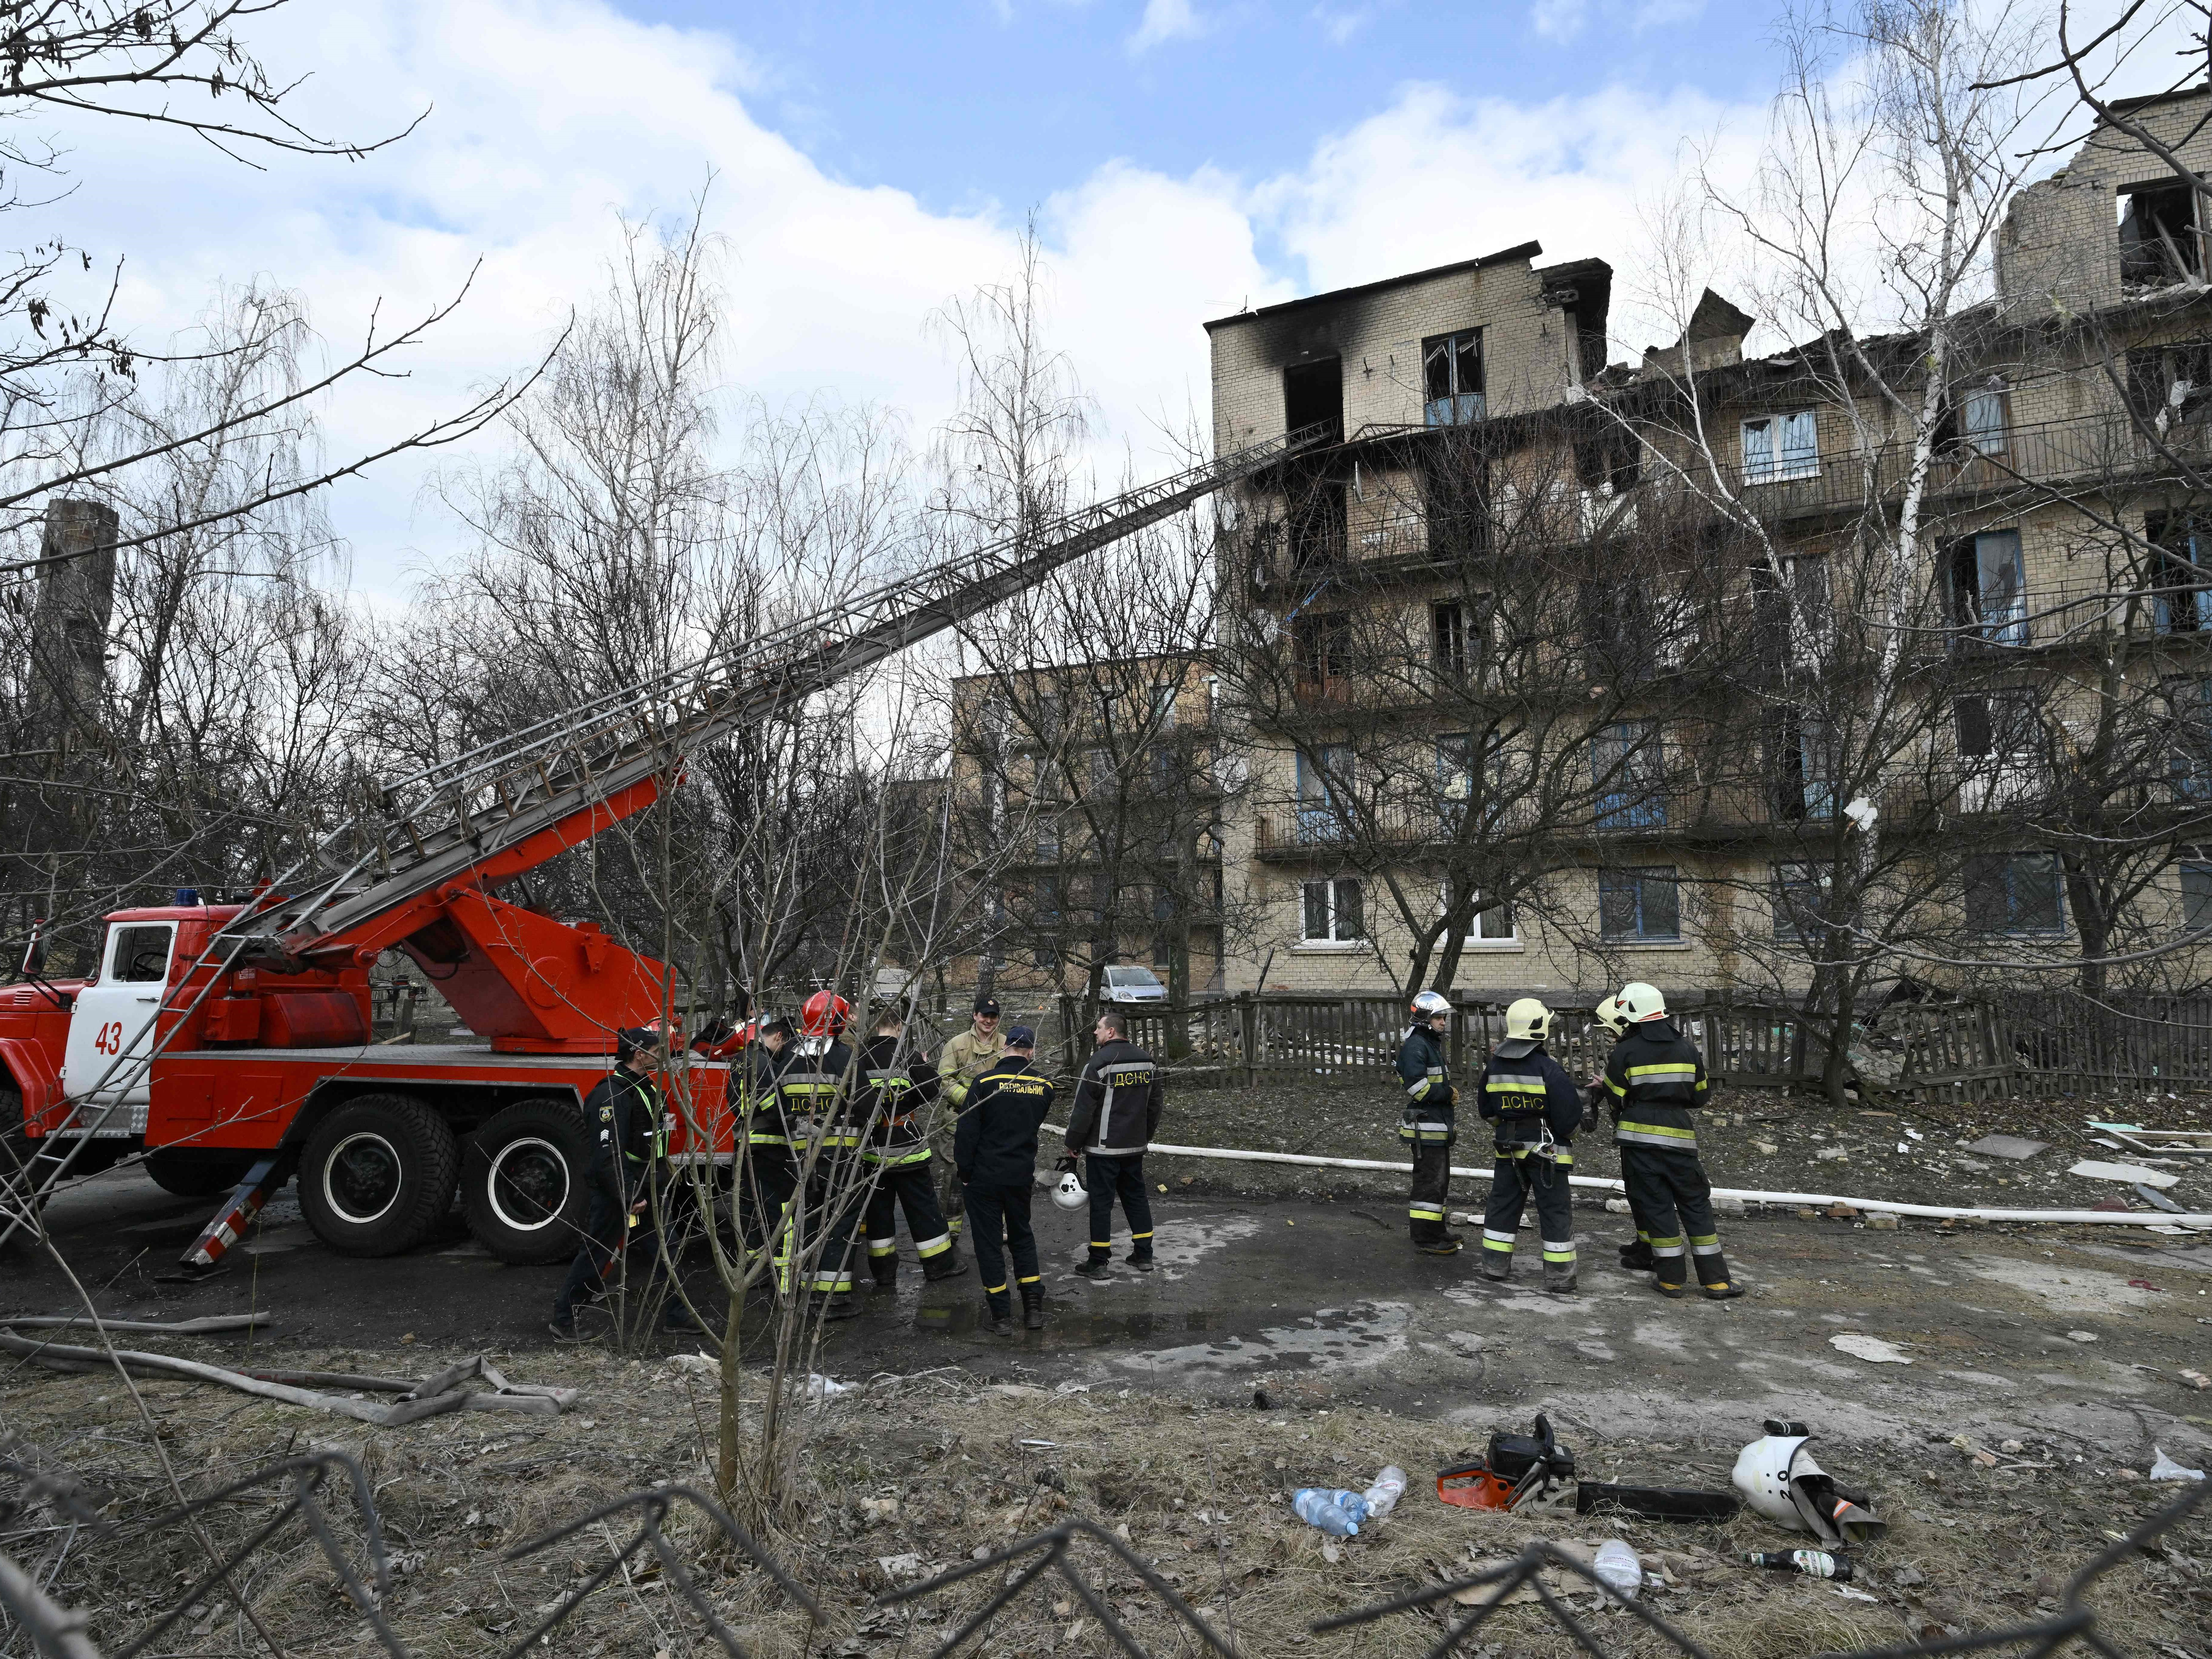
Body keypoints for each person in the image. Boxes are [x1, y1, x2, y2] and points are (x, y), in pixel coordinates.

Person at [550, 1025, 698, 1338]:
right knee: (597, 1253)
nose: (662, 1056)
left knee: (667, 1251)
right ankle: (564, 1319)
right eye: (657, 1051)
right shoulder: (611, 1094)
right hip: (620, 1193)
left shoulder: (644, 1087)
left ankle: (677, 1316)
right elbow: (608, 1153)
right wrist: (630, 1194)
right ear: (638, 1054)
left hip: (647, 1187)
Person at [1601, 982, 1744, 1301]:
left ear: (1631, 1014)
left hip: (1638, 1141)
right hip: (1680, 1138)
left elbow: (1614, 1094)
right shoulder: (1687, 1048)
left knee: (1656, 1207)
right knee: (1696, 1205)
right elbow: (1700, 1095)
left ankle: (1670, 1281)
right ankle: (1717, 1282)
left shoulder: (1625, 1051)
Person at [1474, 997, 1583, 1292]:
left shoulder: (1494, 1067)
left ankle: (1494, 1266)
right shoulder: (1548, 1069)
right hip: (1546, 1152)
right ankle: (1560, 1277)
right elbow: (1568, 1118)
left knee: (1502, 1205)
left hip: (1508, 1149)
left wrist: (1508, 1125)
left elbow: (1486, 1110)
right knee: (1555, 1210)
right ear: (1539, 1028)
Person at [955, 1024, 1056, 1333]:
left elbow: (967, 1132)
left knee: (988, 1244)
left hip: (984, 1176)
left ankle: (1000, 1315)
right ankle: (1033, 1310)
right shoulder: (1044, 1085)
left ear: (1005, 1048)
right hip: (1020, 1174)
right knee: (1021, 1236)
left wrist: (965, 1172)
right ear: (1031, 1051)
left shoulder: (985, 1082)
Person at [858, 1008, 967, 1288]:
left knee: (878, 1214)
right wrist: (921, 1071)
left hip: (872, 1149)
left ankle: (883, 1272)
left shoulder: (859, 1058)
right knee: (923, 1208)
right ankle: (938, 1265)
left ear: (876, 1026)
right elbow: (932, 1090)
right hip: (907, 1146)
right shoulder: (907, 1056)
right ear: (898, 1026)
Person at [779, 990, 865, 1320]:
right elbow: (864, 1104)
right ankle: (831, 1298)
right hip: (840, 1155)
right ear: (840, 1022)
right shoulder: (845, 1058)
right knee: (840, 1221)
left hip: (799, 1157)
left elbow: (778, 1105)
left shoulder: (786, 1056)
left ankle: (804, 1291)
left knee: (809, 1221)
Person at [1062, 1007, 1163, 1280]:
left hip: (1103, 1149)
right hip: (1134, 1146)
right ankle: (1144, 1255)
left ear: (1110, 1031)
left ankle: (1098, 1261)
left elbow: (1083, 1110)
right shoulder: (1148, 1062)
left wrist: (1073, 1143)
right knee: (1136, 1199)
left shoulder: (1099, 1062)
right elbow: (1155, 1105)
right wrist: (1145, 1136)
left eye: (1098, 1028)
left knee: (1101, 1204)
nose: (1095, 1032)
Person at [933, 994, 1009, 1241]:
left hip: (996, 1125)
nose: (989, 1021)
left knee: (997, 1176)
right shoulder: (956, 1044)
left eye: (993, 1017)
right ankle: (950, 1230)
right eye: (984, 1015)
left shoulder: (1007, 1045)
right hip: (959, 1122)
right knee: (955, 1177)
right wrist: (972, 1101)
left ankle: (996, 1228)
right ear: (975, 1016)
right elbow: (944, 1080)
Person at [1396, 989, 1459, 1254]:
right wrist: (1448, 1093)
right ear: (1424, 1018)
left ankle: (1436, 1230)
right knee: (1429, 1184)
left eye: (1444, 1018)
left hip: (1435, 1127)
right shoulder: (1416, 1046)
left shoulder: (1428, 1043)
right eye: (1438, 1018)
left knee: (1439, 1182)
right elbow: (1418, 1089)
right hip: (1426, 1129)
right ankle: (1426, 1238)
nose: (1443, 1022)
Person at [741, 1014, 803, 1264]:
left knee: (751, 1207)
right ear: (779, 1037)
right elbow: (773, 1109)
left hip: (746, 1142)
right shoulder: (763, 1064)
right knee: (781, 1208)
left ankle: (752, 1267)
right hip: (769, 1144)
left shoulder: (740, 1059)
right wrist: (795, 1115)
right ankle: (782, 1268)